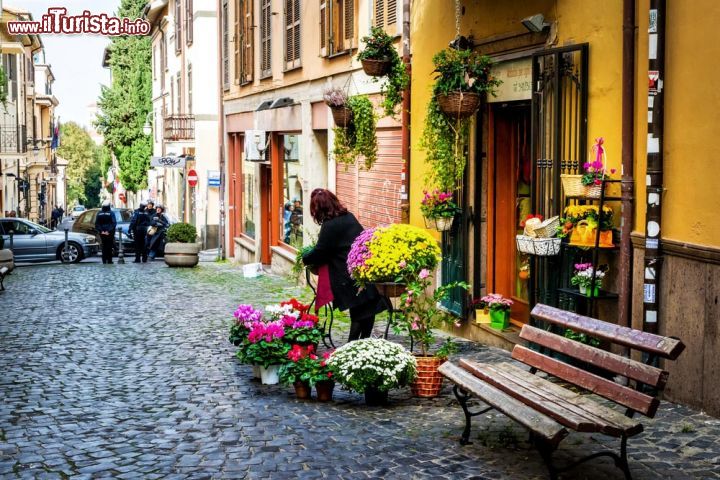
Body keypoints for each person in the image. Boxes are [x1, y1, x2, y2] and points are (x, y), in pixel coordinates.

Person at [302, 188, 384, 341]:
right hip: (362, 269)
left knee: (358, 313)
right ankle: (364, 342)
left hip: (346, 275)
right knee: (367, 310)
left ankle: (351, 346)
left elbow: (321, 250)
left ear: (318, 209)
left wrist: (305, 258)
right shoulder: (349, 217)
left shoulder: (330, 225)